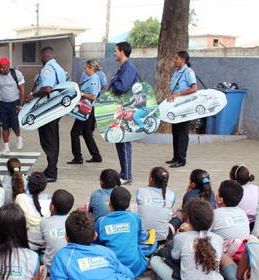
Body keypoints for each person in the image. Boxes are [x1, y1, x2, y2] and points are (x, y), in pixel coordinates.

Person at [150, 198, 225, 280]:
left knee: (155, 260)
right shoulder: (218, 239)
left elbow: (174, 257)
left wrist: (179, 235)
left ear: (188, 220)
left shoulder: (181, 238)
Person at [95, 186, 148, 280]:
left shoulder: (101, 221)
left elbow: (96, 243)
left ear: (109, 203)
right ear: (128, 206)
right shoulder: (134, 217)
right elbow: (138, 236)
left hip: (112, 269)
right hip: (134, 267)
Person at [25, 47, 66, 182]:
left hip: (48, 111)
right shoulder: (59, 69)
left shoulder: (47, 69)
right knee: (53, 139)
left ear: (44, 56)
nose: (41, 60)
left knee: (49, 141)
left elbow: (47, 89)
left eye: (41, 57)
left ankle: (52, 173)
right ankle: (50, 169)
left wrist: (33, 95)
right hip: (56, 109)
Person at [109, 42, 138, 184]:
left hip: (127, 110)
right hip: (122, 109)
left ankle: (127, 175)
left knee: (124, 142)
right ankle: (124, 173)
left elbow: (121, 87)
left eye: (115, 51)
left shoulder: (129, 68)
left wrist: (113, 81)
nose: (114, 53)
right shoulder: (124, 68)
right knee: (120, 141)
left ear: (121, 51)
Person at [165, 51, 198, 168]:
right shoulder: (177, 72)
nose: (175, 60)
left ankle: (181, 159)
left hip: (184, 106)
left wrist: (178, 94)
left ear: (183, 60)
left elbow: (194, 88)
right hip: (176, 106)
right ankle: (176, 157)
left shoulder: (188, 72)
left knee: (182, 133)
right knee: (176, 131)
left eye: (177, 58)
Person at [68, 59, 102, 164]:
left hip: (87, 109)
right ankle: (96, 156)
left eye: (86, 68)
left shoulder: (93, 80)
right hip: (88, 109)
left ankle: (78, 157)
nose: (85, 70)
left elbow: (94, 96)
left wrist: (81, 93)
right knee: (86, 133)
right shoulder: (90, 78)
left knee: (74, 133)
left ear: (91, 68)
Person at [0, 57, 25, 154]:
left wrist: (20, 105)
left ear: (8, 66)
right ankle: (6, 147)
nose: (1, 69)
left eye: (4, 68)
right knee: (5, 126)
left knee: (15, 125)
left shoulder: (16, 74)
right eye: (0, 68)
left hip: (14, 102)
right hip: (3, 104)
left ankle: (19, 138)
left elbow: (22, 90)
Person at [137, 167, 179, 242]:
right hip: (162, 238)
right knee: (179, 215)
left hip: (142, 237)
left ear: (151, 179)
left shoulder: (141, 191)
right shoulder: (171, 195)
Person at [39, 189, 74, 273]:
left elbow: (43, 241)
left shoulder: (44, 222)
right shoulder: (73, 220)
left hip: (50, 268)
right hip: (69, 267)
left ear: (52, 206)